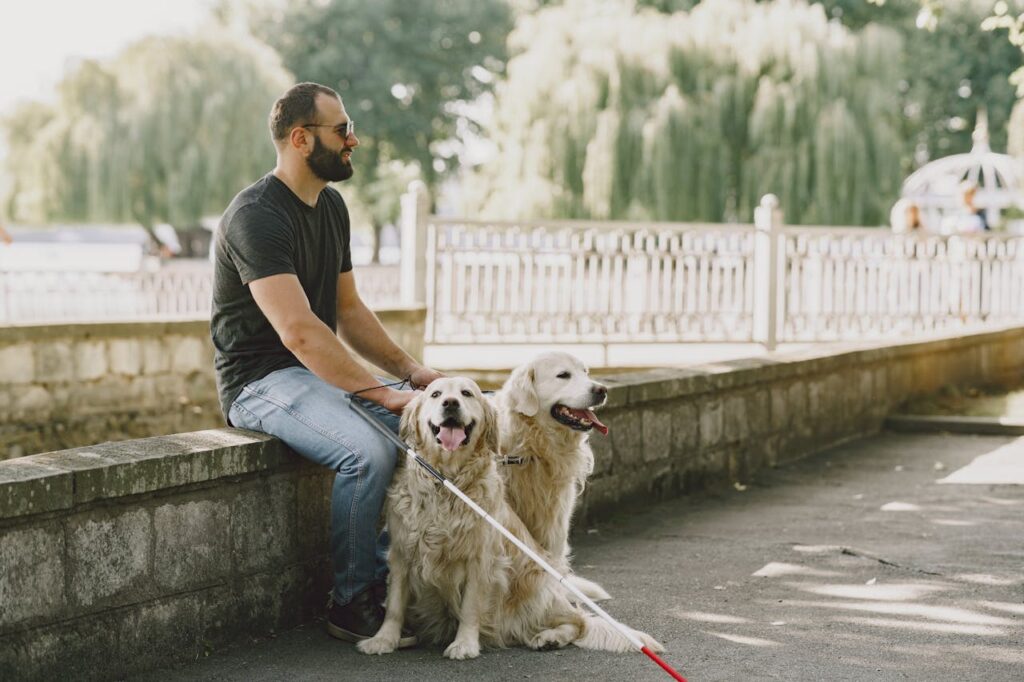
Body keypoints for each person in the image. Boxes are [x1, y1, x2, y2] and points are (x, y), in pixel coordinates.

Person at [210, 82, 443, 647]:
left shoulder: (332, 207)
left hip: (309, 375)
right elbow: (299, 331)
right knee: (366, 453)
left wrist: (414, 375)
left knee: (428, 431)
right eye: (342, 130)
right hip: (259, 382)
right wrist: (381, 394)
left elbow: (349, 312)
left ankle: (403, 584)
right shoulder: (255, 216)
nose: (353, 140)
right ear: (300, 138)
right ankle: (353, 601)